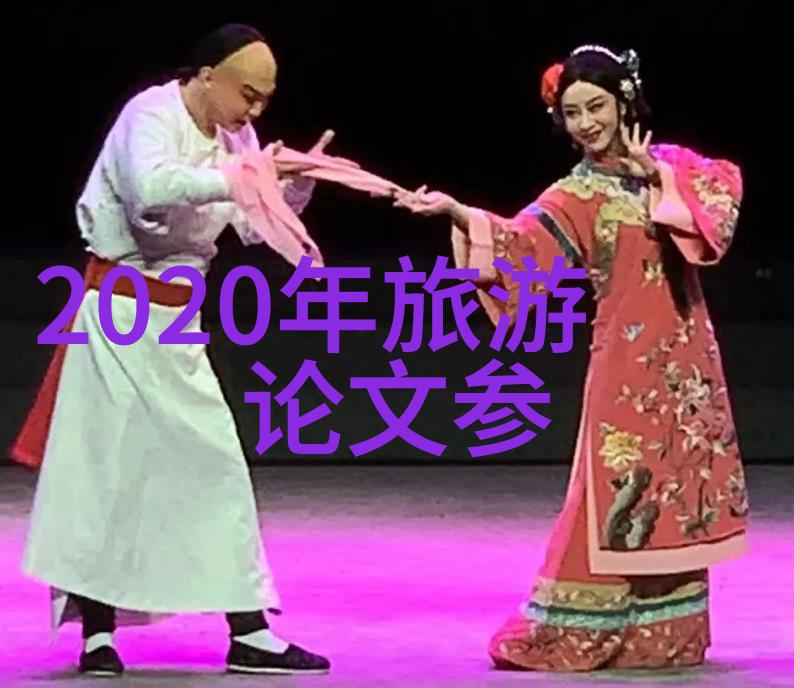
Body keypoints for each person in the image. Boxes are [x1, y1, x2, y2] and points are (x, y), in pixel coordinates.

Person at [394, 44, 748, 671]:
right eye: (573, 113)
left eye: (596, 107)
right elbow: (519, 241)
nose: (585, 123)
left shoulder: (673, 165)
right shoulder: (576, 192)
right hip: (625, 359)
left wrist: (656, 178)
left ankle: (666, 632)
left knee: (677, 484)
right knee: (613, 484)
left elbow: (719, 203)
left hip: (688, 355)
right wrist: (459, 213)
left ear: (624, 102)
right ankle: (583, 623)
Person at [11, 23, 347, 676]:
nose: (254, 112)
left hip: (176, 324)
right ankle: (98, 636)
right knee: (106, 476)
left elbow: (252, 226)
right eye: (247, 95)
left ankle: (250, 631)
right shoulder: (149, 114)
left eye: (264, 101)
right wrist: (249, 172)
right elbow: (153, 189)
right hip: (118, 316)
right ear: (207, 75)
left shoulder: (237, 140)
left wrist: (294, 184)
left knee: (216, 467)